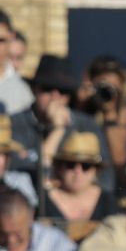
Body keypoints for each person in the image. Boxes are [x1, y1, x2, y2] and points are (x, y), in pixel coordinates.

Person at [9, 54, 115, 197]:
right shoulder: (14, 124)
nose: (55, 96)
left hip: (76, 206)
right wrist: (57, 131)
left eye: (63, 91)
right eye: (47, 88)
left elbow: (107, 180)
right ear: (34, 89)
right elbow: (19, 178)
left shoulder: (87, 125)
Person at [41, 132, 115, 234]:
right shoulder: (41, 200)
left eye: (86, 166)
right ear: (59, 167)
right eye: (70, 164)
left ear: (96, 171)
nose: (78, 171)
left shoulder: (109, 203)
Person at [75, 55, 126, 178]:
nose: (107, 92)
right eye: (102, 86)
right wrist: (81, 105)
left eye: (113, 88)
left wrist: (109, 113)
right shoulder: (79, 107)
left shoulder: (121, 110)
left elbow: (119, 159)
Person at [0, 188, 77, 251]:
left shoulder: (56, 245)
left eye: (18, 233)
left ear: (30, 217)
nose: (11, 240)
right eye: (2, 234)